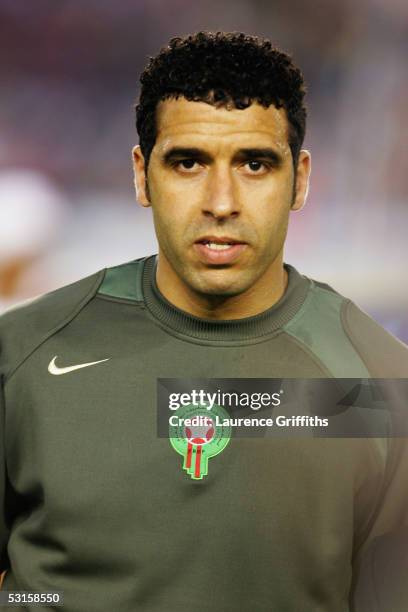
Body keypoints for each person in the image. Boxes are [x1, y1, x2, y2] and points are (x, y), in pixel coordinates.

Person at [0, 31, 407, 612]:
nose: (221, 201)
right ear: (142, 175)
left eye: (256, 164)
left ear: (302, 179)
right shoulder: (20, 357)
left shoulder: (382, 387)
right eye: (188, 162)